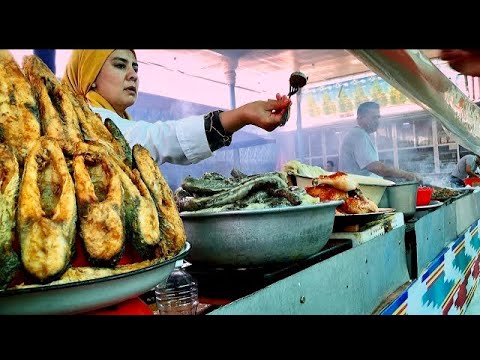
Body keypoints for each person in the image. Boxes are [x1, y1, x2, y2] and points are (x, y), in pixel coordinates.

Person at [62, 49, 291, 165]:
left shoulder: (117, 121)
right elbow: (156, 139)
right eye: (120, 66)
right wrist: (241, 115)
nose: (132, 76)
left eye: (135, 68)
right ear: (88, 75)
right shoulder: (86, 120)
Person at [338, 101, 422, 182]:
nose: (377, 121)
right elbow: (376, 168)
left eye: (378, 117)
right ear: (360, 118)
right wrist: (407, 175)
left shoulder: (358, 134)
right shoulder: (359, 135)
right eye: (373, 117)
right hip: (358, 191)